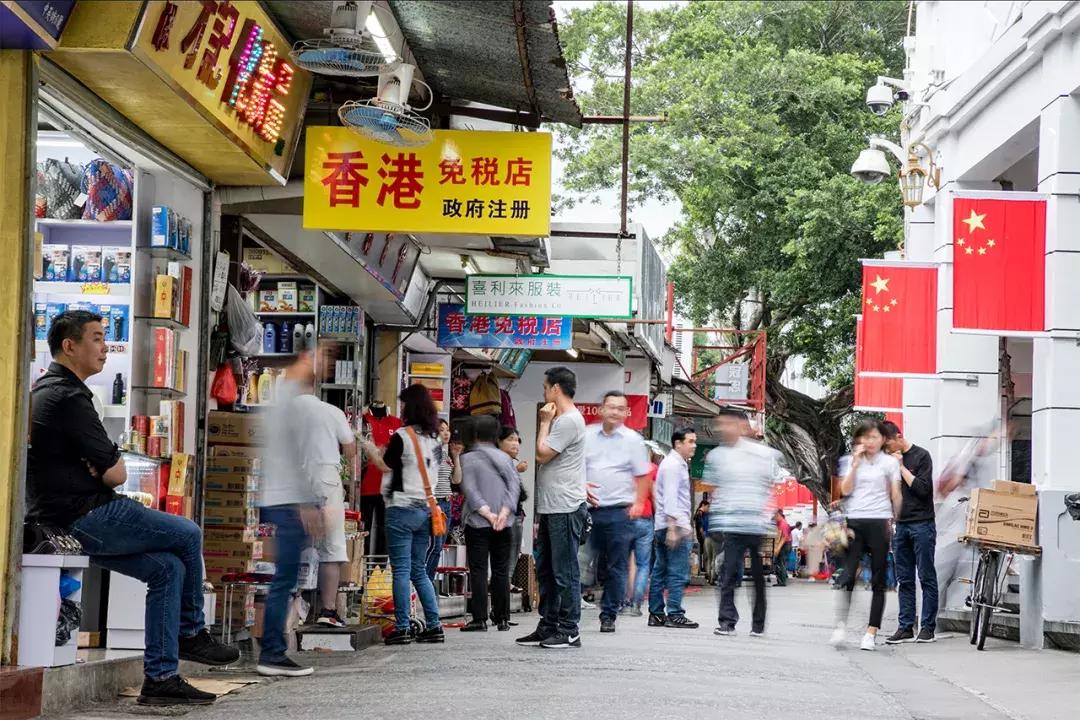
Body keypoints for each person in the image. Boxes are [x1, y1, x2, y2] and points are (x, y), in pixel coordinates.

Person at [29, 311, 238, 705]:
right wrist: (103, 467)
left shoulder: (47, 390)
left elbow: (106, 467)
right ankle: (191, 633)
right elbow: (116, 473)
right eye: (96, 338)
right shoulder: (69, 398)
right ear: (69, 346)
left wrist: (101, 466)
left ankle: (160, 679)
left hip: (62, 519)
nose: (105, 347)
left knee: (168, 569)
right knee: (188, 533)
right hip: (86, 514)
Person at [259, 346, 341, 677]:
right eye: (323, 357)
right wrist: (305, 503)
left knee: (286, 577)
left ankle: (273, 650)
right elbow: (290, 457)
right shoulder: (288, 400)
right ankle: (272, 652)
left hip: (283, 498)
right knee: (285, 579)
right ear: (306, 358)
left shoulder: (285, 397)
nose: (327, 364)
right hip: (287, 500)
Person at [365, 384, 445, 645]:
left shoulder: (402, 435)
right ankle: (434, 625)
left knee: (400, 569)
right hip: (426, 509)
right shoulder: (435, 439)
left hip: (401, 508)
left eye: (403, 404)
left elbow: (384, 465)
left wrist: (371, 449)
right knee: (418, 570)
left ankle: (402, 627)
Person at [516, 366, 589, 650]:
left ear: (556, 388)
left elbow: (542, 454)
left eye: (546, 388)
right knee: (546, 569)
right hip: (552, 506)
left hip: (564, 507)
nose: (544, 393)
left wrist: (544, 422)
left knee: (564, 571)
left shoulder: (568, 420)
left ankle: (569, 630)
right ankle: (549, 625)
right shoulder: (565, 420)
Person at [705, 409, 779, 637]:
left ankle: (758, 625)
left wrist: (767, 515)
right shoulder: (716, 456)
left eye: (729, 423)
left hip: (755, 523)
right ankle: (727, 622)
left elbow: (769, 486)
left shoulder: (762, 454)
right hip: (730, 524)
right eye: (721, 424)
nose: (724, 428)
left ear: (742, 426)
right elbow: (713, 489)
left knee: (757, 577)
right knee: (727, 574)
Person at [582, 390, 651, 634]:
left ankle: (608, 614)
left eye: (620, 408)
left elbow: (643, 475)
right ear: (601, 409)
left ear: (626, 412)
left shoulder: (633, 440)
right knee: (580, 561)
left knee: (616, 566)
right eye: (611, 407)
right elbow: (575, 466)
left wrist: (639, 502)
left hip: (619, 512)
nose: (615, 412)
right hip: (587, 510)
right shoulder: (587, 435)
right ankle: (568, 611)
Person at [831, 419, 902, 651]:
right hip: (855, 521)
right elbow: (845, 490)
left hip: (879, 521)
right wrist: (854, 464)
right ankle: (840, 626)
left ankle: (871, 632)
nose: (869, 441)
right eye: (865, 437)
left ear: (883, 440)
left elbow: (895, 494)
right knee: (848, 575)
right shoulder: (849, 461)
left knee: (878, 580)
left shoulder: (890, 463)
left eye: (874, 437)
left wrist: (896, 519)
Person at [459, 415, 521, 632]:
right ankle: (502, 618)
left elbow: (470, 488)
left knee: (478, 569)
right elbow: (514, 487)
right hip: (504, 523)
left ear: (475, 434)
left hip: (478, 522)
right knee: (501, 569)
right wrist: (503, 512)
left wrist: (487, 513)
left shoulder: (467, 458)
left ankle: (479, 618)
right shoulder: (504, 458)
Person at [880, 421, 937, 644]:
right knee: (904, 579)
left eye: (888, 445)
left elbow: (923, 489)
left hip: (922, 524)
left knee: (926, 576)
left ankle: (927, 627)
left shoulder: (922, 456)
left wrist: (901, 467)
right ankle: (905, 627)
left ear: (898, 436)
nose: (887, 450)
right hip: (900, 525)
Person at [935, 423, 1001, 609]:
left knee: (977, 557)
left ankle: (970, 595)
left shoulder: (984, 460)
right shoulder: (968, 457)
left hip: (975, 511)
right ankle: (940, 600)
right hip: (962, 512)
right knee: (949, 560)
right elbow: (950, 483)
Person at [306, 397, 358, 628]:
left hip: (291, 477)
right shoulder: (331, 411)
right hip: (325, 476)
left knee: (291, 543)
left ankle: (291, 604)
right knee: (332, 545)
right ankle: (327, 610)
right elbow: (350, 448)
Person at [648, 427, 700, 629]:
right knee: (677, 572)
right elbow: (670, 498)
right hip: (673, 525)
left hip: (665, 524)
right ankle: (675, 614)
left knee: (660, 570)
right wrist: (672, 528)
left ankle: (656, 614)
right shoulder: (673, 465)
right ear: (678, 443)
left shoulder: (674, 464)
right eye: (690, 441)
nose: (694, 445)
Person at [425, 419, 461, 584]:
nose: (446, 433)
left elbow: (456, 480)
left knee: (438, 547)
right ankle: (423, 581)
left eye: (448, 430)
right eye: (442, 430)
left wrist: (456, 457)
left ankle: (428, 581)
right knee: (434, 545)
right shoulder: (431, 452)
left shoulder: (445, 454)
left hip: (447, 502)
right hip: (436, 503)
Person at [624, 452, 658, 615]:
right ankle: (636, 604)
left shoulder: (624, 468)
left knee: (624, 563)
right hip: (644, 518)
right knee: (643, 564)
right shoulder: (651, 469)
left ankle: (624, 602)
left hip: (625, 518)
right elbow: (655, 495)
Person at [773, 510, 792, 587]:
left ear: (778, 515)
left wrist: (777, 548)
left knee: (781, 562)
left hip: (785, 545)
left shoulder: (783, 523)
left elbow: (784, 537)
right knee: (779, 562)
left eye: (775, 517)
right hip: (784, 544)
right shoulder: (780, 523)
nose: (774, 519)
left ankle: (782, 581)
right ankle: (780, 580)